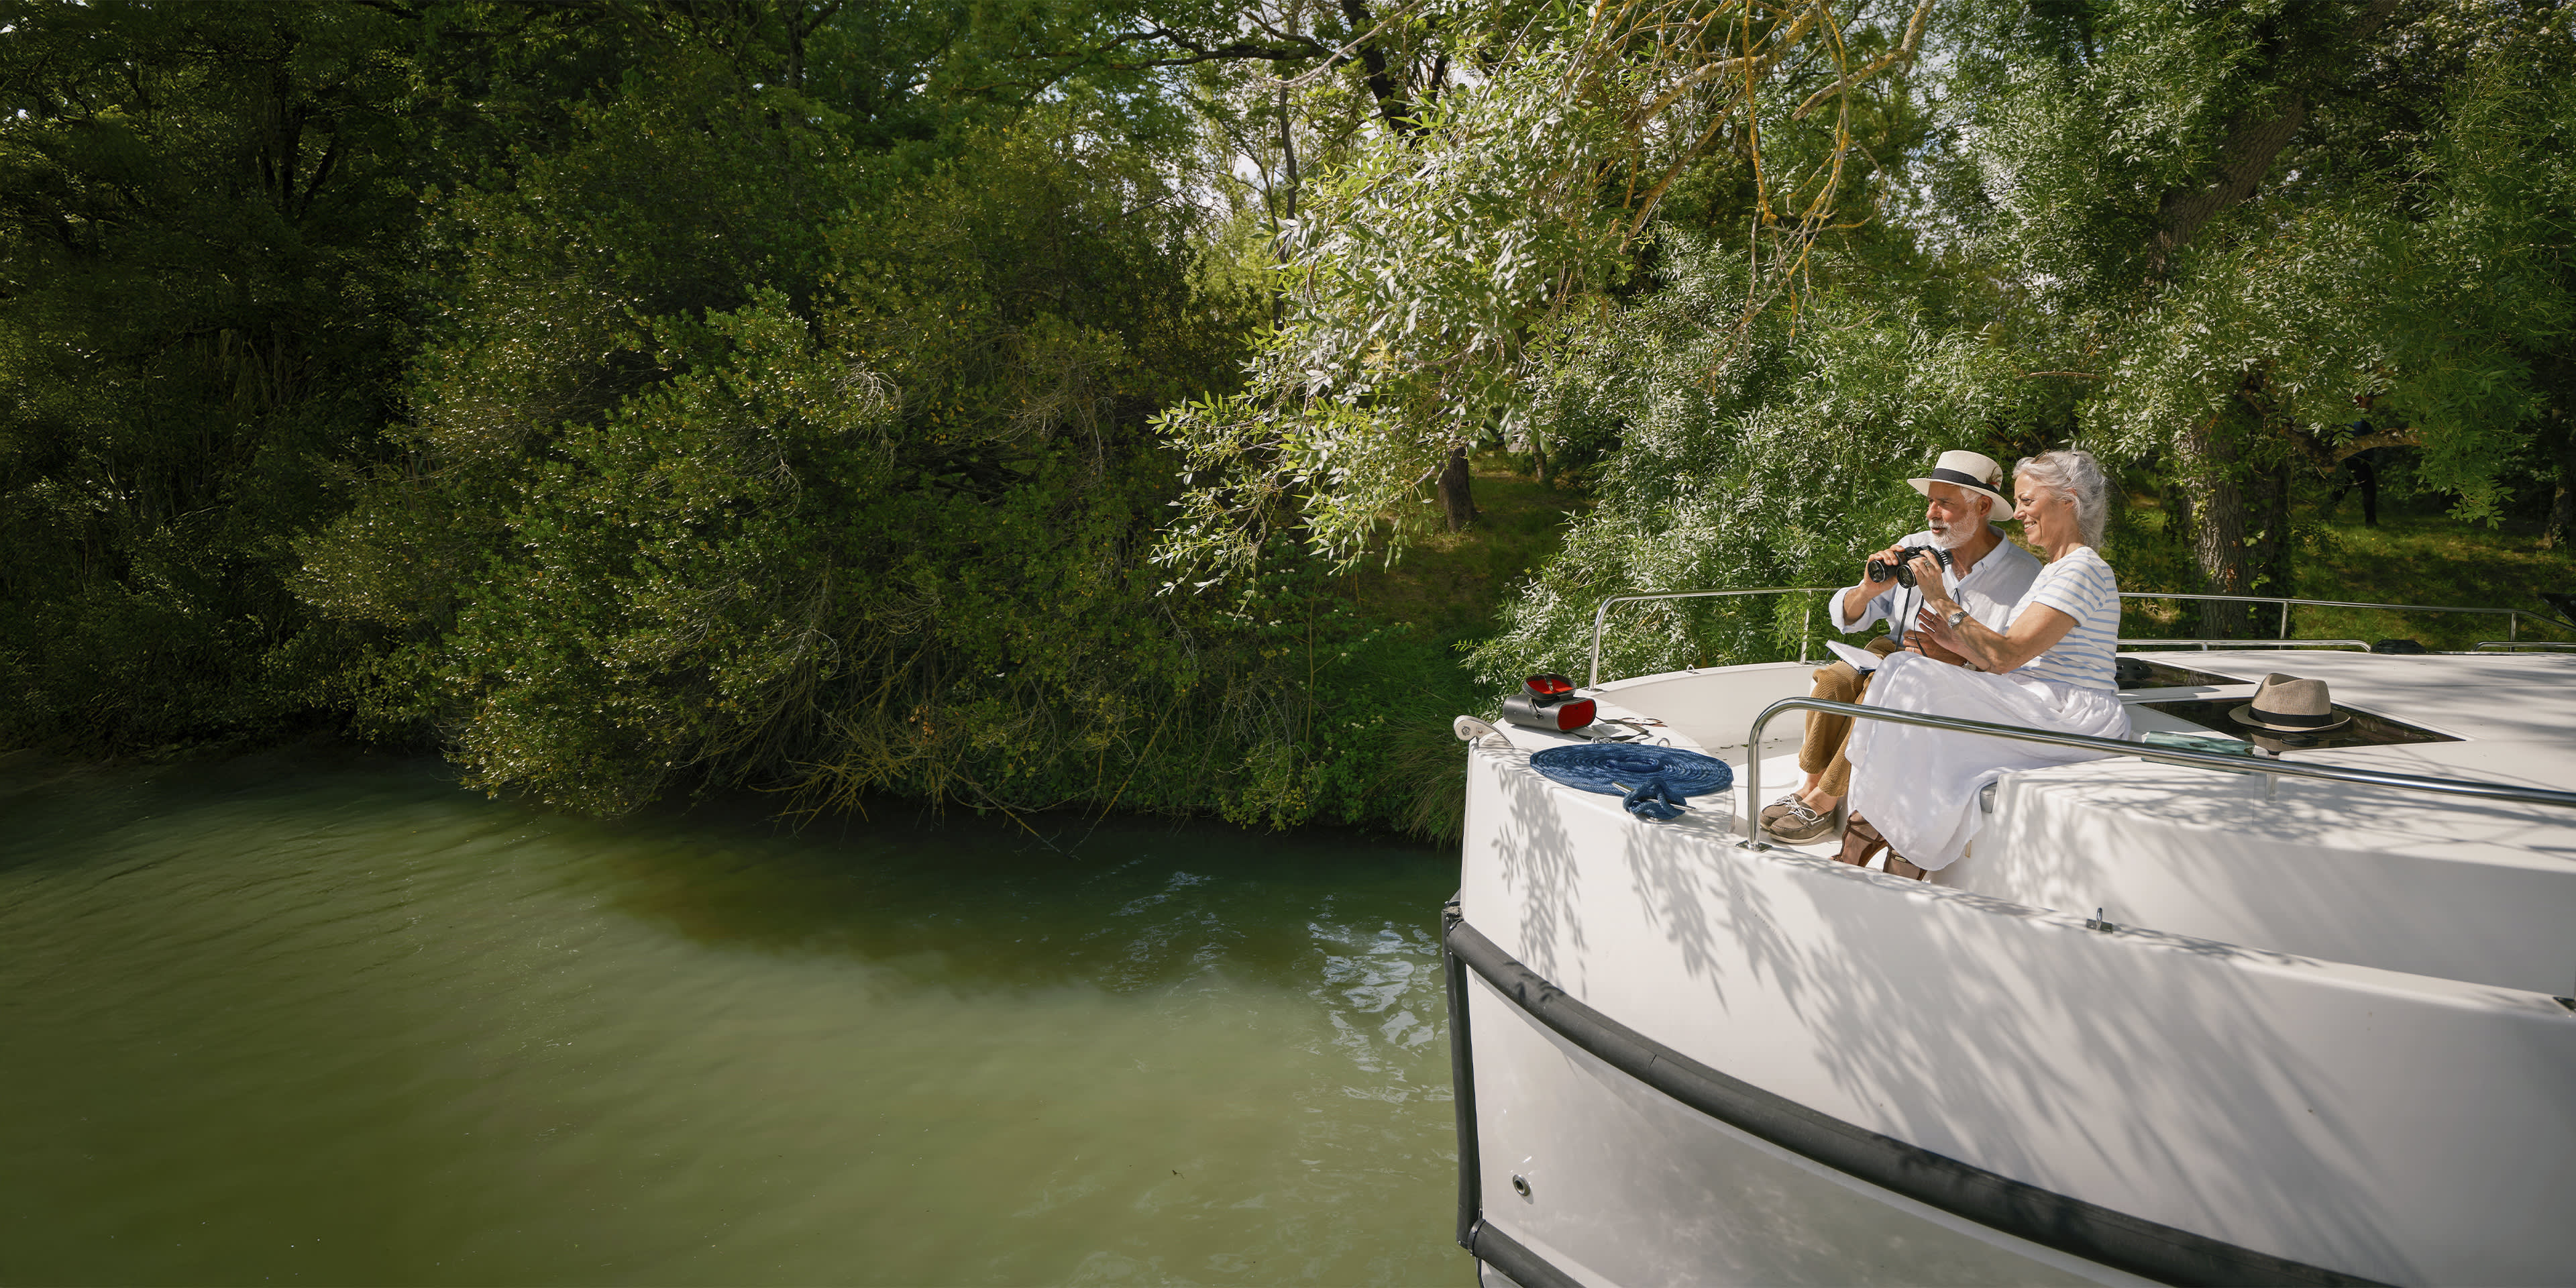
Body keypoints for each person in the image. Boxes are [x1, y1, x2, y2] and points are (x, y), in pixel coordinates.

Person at [1841, 448, 2133, 877]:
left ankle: (1897, 842)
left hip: (2072, 716)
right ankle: (1886, 826)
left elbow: (2005, 656)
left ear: (2067, 501)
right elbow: (2002, 657)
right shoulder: (2056, 569)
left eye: (2028, 501)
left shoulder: (2083, 570)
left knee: (1916, 681)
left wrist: (1941, 600)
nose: (2017, 514)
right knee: (1902, 668)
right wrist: (1954, 643)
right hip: (2032, 698)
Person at [1759, 450, 2041, 845]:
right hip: (1889, 652)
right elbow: (1851, 613)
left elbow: (2010, 656)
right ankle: (1807, 784)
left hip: (1956, 674)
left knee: (1878, 693)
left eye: (1945, 503)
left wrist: (1954, 650)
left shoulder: (2024, 575)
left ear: (1981, 506)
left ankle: (1824, 801)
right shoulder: (1916, 545)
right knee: (1832, 681)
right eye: (1930, 501)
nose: (1932, 513)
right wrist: (1868, 589)